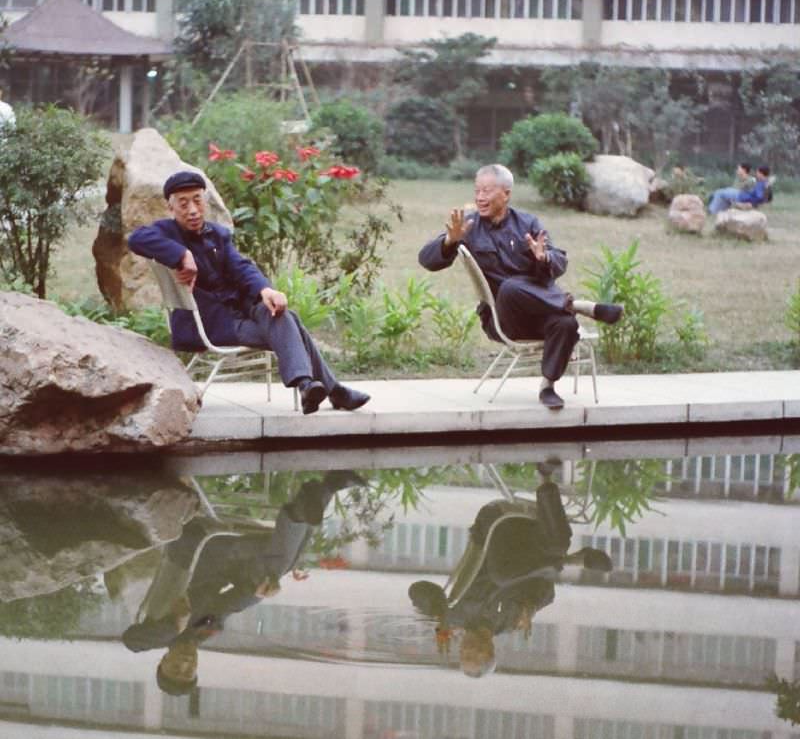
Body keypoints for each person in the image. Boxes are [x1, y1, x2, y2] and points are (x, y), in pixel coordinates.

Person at [128, 171, 370, 414]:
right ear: (170, 207)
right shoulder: (166, 232)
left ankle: (310, 386)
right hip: (209, 323)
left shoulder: (218, 235)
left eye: (197, 200)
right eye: (183, 203)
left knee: (280, 314)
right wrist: (182, 254)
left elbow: (242, 267)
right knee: (289, 324)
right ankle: (326, 389)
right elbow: (136, 238)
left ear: (205, 200)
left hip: (241, 311)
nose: (192, 209)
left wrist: (266, 290)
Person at [122, 471, 364, 695]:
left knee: (280, 564)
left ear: (163, 661)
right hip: (227, 559)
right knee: (276, 572)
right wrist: (259, 594)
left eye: (175, 668)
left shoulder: (154, 634)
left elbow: (131, 642)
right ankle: (308, 504)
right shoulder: (203, 632)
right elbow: (229, 605)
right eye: (188, 671)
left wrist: (174, 625)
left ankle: (320, 493)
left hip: (198, 550)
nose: (185, 663)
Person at [418, 163, 623, 410]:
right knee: (509, 288)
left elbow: (560, 260)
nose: (480, 197)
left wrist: (544, 258)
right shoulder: (469, 227)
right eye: (477, 190)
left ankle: (548, 386)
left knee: (566, 323)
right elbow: (426, 260)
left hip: (539, 315)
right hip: (503, 319)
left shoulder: (528, 223)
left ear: (506, 194)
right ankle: (575, 304)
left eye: (487, 191)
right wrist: (450, 240)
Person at [408, 478, 612, 678]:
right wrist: (531, 605)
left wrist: (435, 612)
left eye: (463, 654)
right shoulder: (512, 621)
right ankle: (546, 479)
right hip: (531, 540)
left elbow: (416, 590)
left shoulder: (453, 614)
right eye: (473, 655)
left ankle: (571, 560)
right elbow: (547, 591)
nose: (466, 649)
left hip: (496, 526)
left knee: (502, 576)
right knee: (555, 547)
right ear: (490, 652)